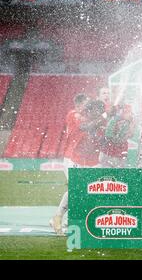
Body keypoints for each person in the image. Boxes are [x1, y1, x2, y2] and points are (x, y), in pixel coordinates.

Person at [50, 93, 89, 235]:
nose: (89, 106)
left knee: (77, 189)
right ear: (79, 105)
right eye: (86, 103)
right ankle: (61, 218)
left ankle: (61, 218)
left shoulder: (83, 116)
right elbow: (86, 126)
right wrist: (103, 116)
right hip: (71, 157)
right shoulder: (73, 114)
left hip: (78, 158)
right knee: (76, 189)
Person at [100, 104, 135, 168]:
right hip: (112, 149)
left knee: (116, 167)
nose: (130, 115)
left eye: (130, 113)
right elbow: (109, 134)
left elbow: (130, 134)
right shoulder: (118, 120)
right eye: (128, 112)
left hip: (117, 149)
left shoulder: (126, 122)